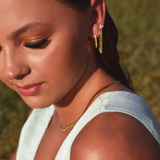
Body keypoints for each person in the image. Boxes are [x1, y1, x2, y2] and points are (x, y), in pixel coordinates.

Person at [0, 0, 159, 159]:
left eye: (34, 42)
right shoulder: (43, 113)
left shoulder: (104, 146)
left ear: (93, 19)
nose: (10, 71)